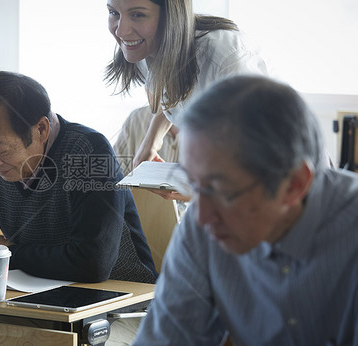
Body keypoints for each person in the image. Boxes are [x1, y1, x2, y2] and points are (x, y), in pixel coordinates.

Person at [133, 75, 358, 345]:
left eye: (220, 190)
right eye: (195, 186)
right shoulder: (203, 226)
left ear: (294, 184)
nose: (202, 216)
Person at [0, 71, 157, 285]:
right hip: (33, 299)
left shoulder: (88, 152)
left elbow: (92, 263)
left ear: (41, 130)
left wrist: (11, 254)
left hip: (122, 302)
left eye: (2, 149)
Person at [105, 0, 268, 174]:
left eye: (138, 15)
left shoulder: (227, 57)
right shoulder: (144, 49)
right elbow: (174, 93)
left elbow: (259, 150)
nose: (121, 31)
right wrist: (151, 141)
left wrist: (195, 189)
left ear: (172, 16)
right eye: (114, 13)